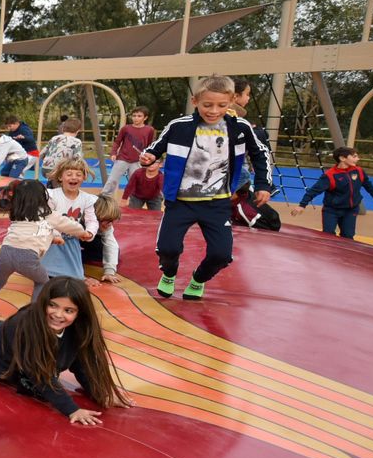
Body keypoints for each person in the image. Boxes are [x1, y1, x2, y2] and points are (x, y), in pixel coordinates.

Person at [140, 75, 274, 300]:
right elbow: (157, 146)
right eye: (207, 105)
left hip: (217, 204)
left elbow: (260, 154)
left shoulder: (239, 127)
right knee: (167, 249)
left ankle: (198, 279)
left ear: (231, 101)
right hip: (181, 202)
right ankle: (169, 274)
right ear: (195, 101)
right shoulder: (178, 126)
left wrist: (263, 184)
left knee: (221, 254)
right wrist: (149, 155)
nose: (213, 110)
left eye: (221, 105)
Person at [0, 277, 132, 426]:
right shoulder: (26, 324)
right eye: (52, 305)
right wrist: (72, 410)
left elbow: (82, 365)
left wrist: (101, 394)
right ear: (43, 303)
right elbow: (40, 375)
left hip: (3, 364)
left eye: (68, 310)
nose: (58, 314)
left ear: (79, 313)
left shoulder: (77, 329)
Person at [0, 180, 90, 318]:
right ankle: (33, 313)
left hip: (6, 252)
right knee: (42, 282)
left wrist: (54, 237)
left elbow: (37, 229)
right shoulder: (48, 213)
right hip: (27, 256)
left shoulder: (17, 213)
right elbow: (67, 225)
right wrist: (83, 233)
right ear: (42, 197)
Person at [292, 146, 373, 239]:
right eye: (354, 156)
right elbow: (314, 191)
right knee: (328, 236)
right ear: (342, 158)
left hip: (351, 210)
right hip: (332, 210)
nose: (358, 159)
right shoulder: (330, 175)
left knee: (348, 236)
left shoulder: (358, 171)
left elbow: (369, 186)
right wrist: (302, 205)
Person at [43, 158, 99, 279]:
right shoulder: (52, 196)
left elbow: (91, 220)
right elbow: (48, 220)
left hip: (71, 241)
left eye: (78, 174)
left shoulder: (87, 199)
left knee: (75, 276)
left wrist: (89, 232)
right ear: (60, 177)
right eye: (69, 174)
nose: (74, 177)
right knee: (47, 274)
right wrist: (56, 235)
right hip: (52, 239)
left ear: (84, 177)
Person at [105, 106, 156, 190]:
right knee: (111, 181)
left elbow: (150, 145)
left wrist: (149, 158)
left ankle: (134, 202)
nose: (136, 118)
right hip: (122, 158)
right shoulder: (125, 129)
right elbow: (117, 142)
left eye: (139, 116)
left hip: (138, 160)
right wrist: (113, 153)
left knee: (136, 184)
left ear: (145, 118)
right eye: (134, 115)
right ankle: (104, 200)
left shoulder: (149, 130)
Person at [80, 193, 123, 284]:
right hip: (74, 234)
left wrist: (109, 272)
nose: (110, 224)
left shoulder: (106, 223)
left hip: (89, 237)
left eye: (112, 221)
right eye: (108, 221)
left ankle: (83, 254)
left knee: (113, 251)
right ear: (96, 218)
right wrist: (79, 275)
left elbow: (111, 244)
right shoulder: (79, 219)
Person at [37, 118, 83, 184]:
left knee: (54, 178)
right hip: (59, 170)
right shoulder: (77, 141)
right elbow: (78, 159)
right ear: (78, 131)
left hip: (45, 169)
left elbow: (42, 154)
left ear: (62, 129)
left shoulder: (54, 138)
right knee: (70, 174)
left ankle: (51, 186)